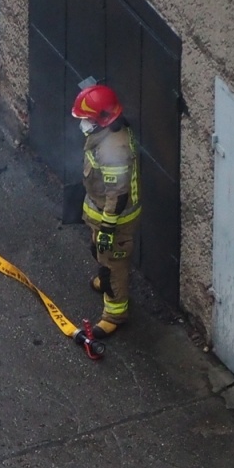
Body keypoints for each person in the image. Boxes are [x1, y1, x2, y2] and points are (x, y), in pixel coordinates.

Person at [73, 83, 141, 340]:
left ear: (102, 119)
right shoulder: (104, 134)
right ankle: (105, 280)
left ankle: (114, 315)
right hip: (100, 213)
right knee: (100, 253)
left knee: (113, 265)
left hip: (115, 220)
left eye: (86, 119)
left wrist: (108, 229)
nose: (83, 124)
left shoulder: (114, 150)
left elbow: (118, 195)